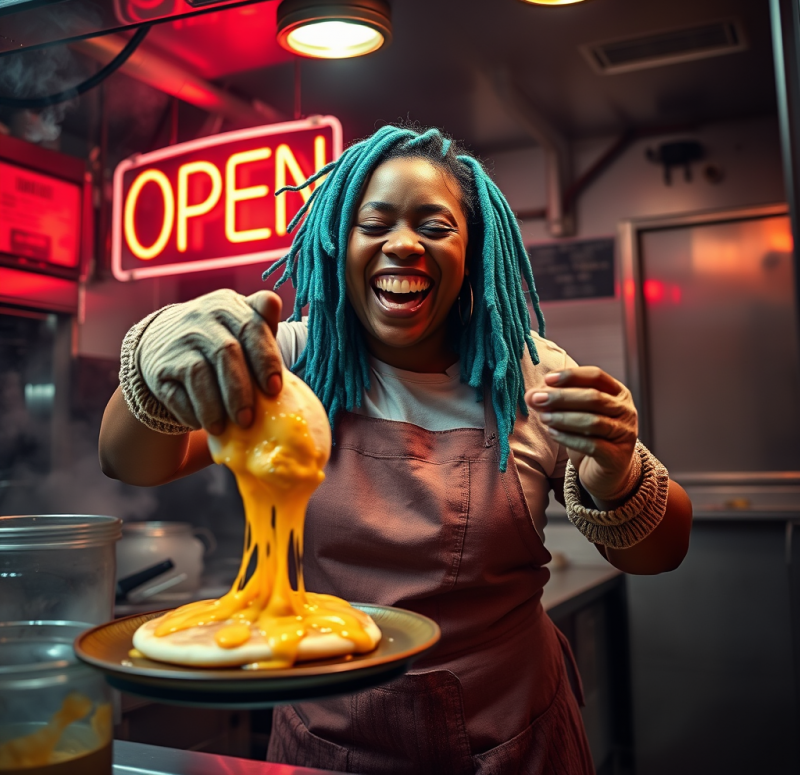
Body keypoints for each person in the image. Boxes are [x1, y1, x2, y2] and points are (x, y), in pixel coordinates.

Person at [100, 124, 692, 774]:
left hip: (512, 739)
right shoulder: (286, 363)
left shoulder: (527, 375)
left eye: (434, 227)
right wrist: (152, 369)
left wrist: (617, 470)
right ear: (338, 244)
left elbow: (659, 553)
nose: (403, 245)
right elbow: (129, 461)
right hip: (329, 739)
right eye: (374, 223)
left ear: (472, 251)